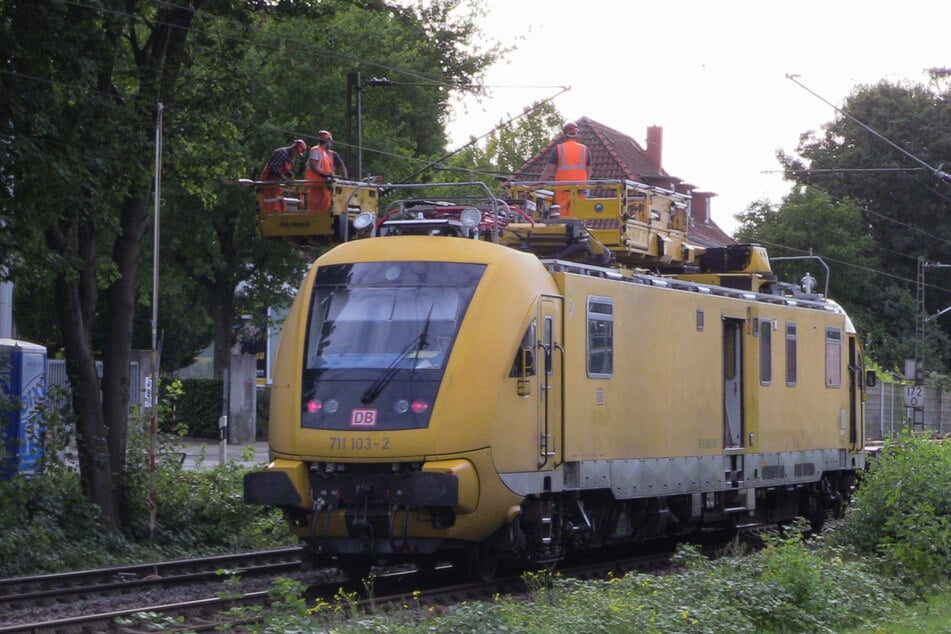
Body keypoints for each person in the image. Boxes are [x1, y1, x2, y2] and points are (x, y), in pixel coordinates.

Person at [540, 121, 591, 217]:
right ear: (576, 134)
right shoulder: (585, 150)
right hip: (580, 189)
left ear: (564, 134)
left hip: (563, 189)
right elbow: (588, 171)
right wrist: (585, 186)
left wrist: (541, 184)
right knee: (578, 215)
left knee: (561, 217)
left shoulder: (559, 149)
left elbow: (550, 169)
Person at [305, 130, 349, 212]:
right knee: (315, 206)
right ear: (328, 141)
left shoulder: (328, 153)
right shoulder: (315, 150)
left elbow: (341, 166)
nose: (331, 144)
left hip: (325, 184)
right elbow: (313, 165)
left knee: (325, 205)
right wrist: (324, 175)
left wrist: (345, 179)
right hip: (316, 184)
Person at [258, 139, 307, 212]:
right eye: (297, 152)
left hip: (275, 183)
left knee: (279, 202)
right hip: (268, 181)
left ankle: (276, 216)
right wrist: (283, 177)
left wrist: (289, 175)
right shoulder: (282, 153)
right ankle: (268, 217)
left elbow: (285, 169)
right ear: (295, 148)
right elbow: (273, 167)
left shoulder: (291, 158)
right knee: (270, 202)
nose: (296, 155)